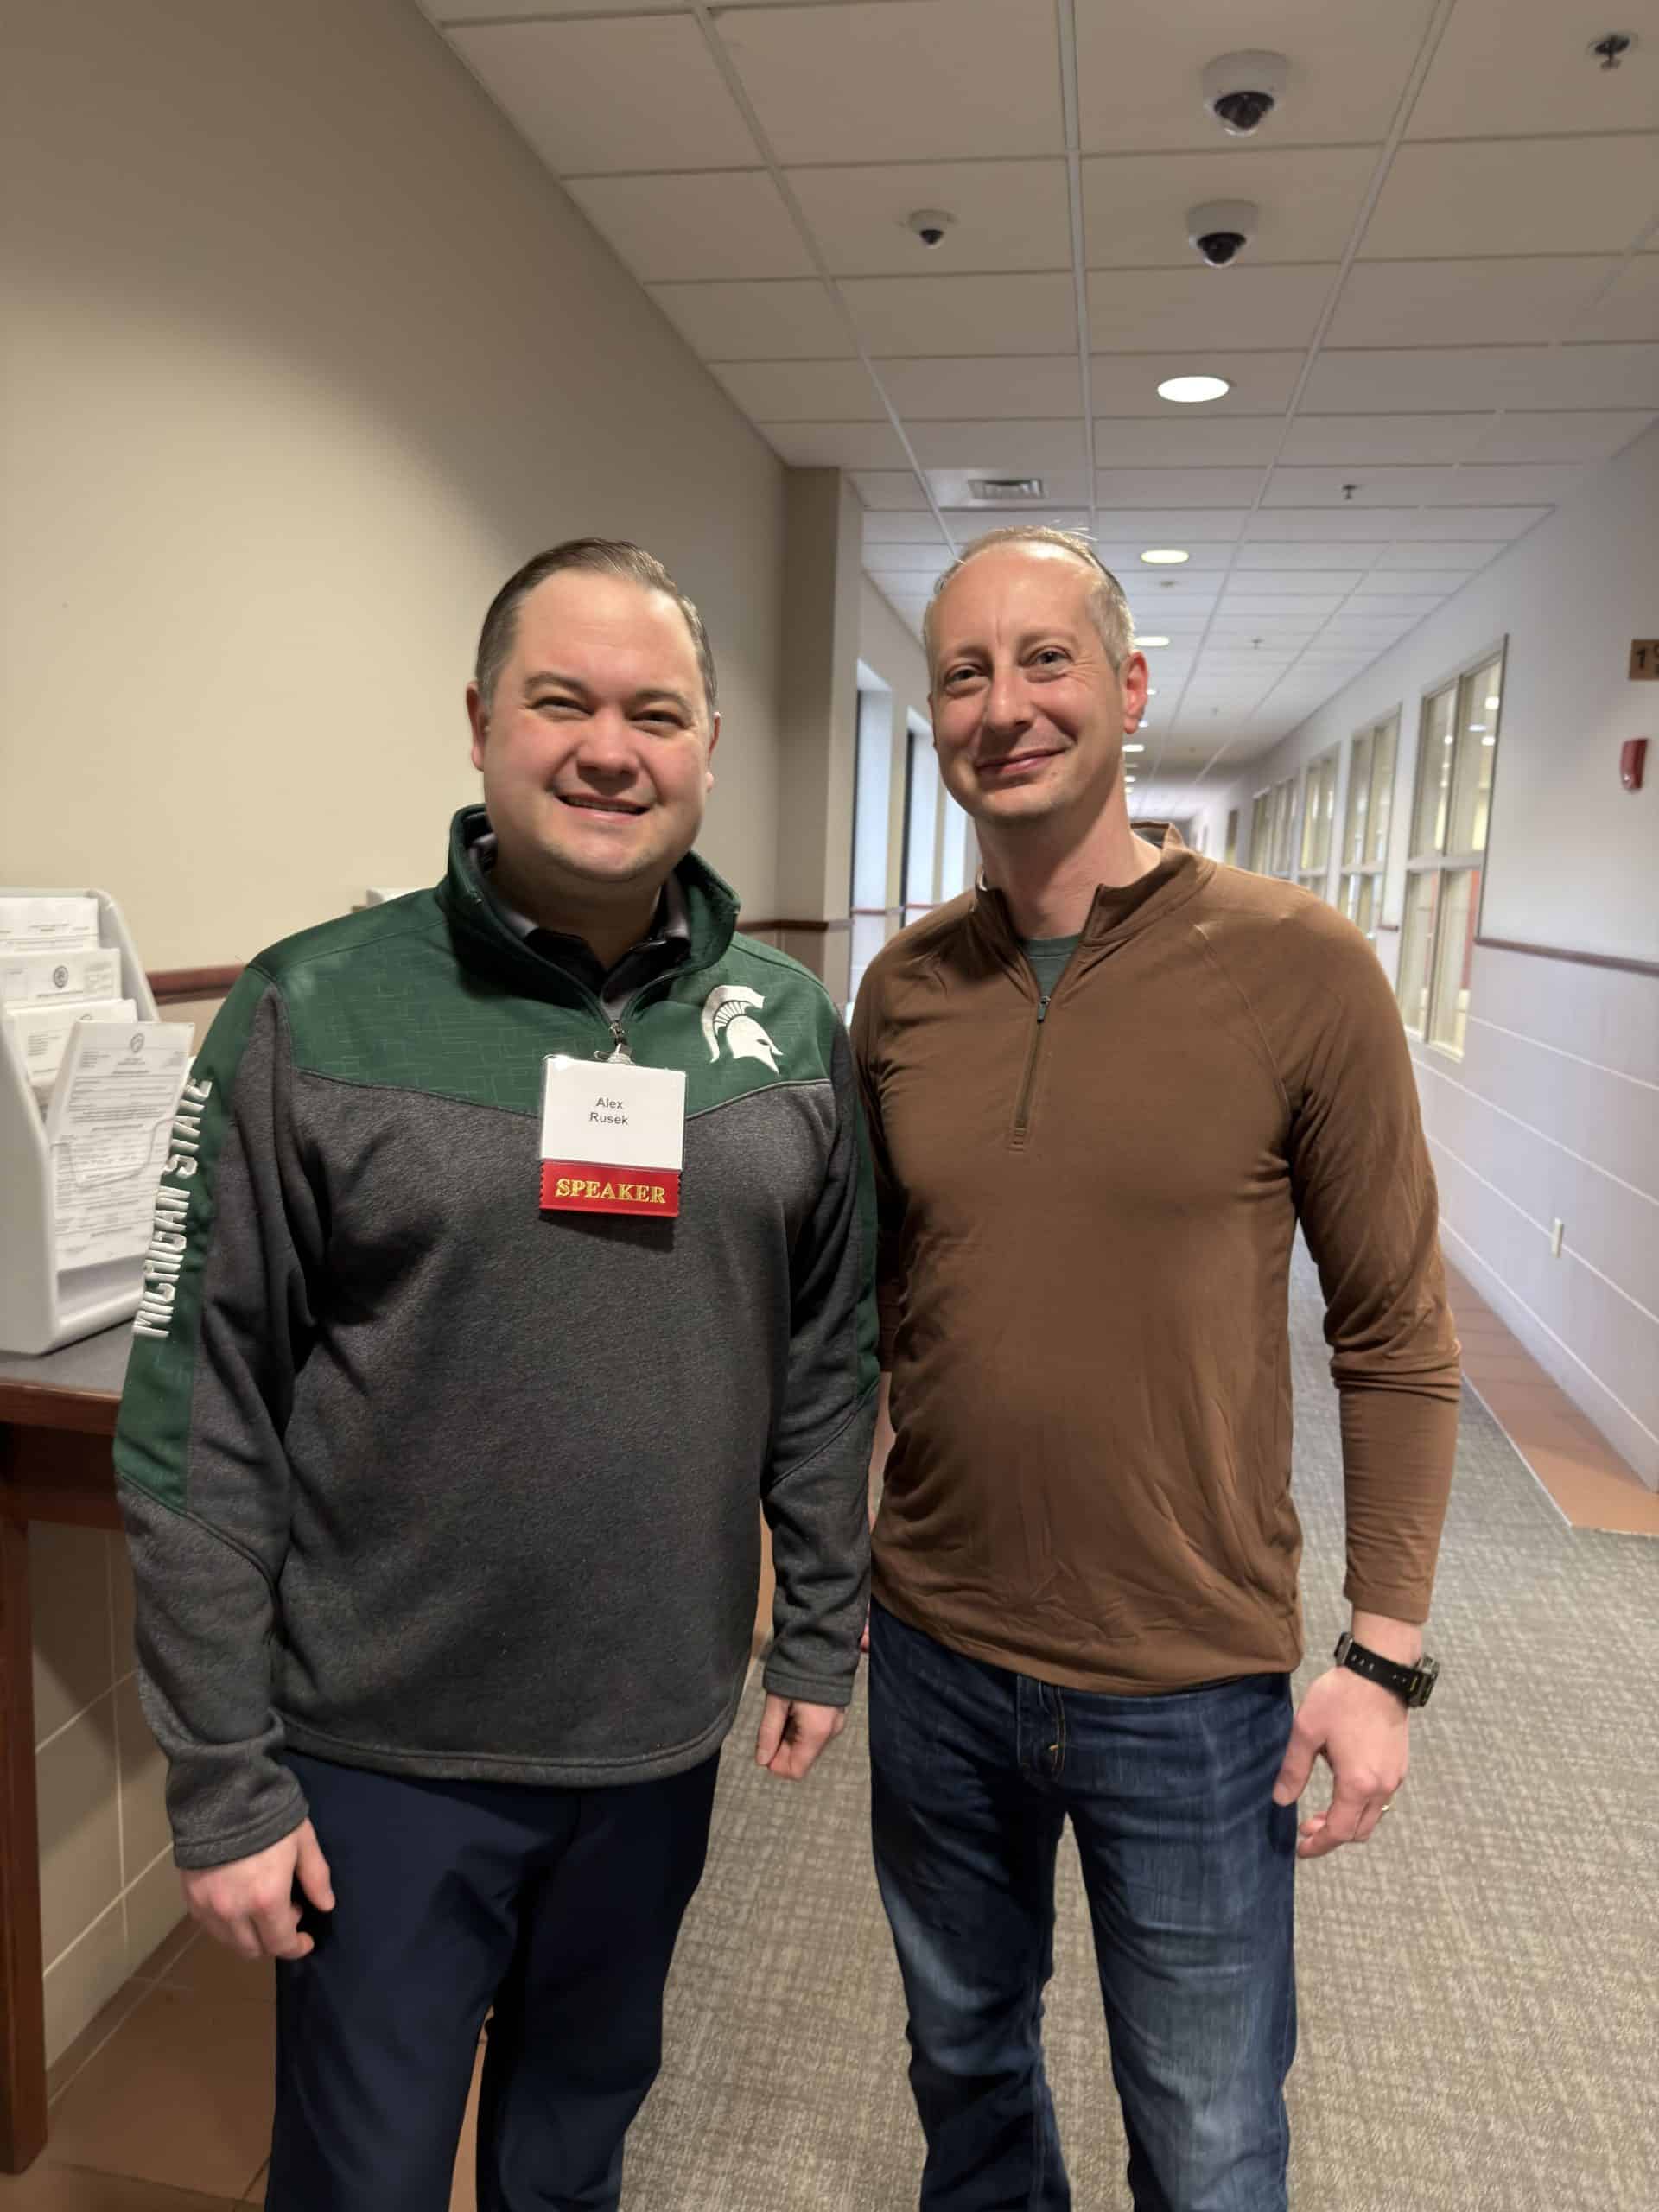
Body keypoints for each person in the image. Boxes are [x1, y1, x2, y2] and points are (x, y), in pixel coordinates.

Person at [114, 538, 878, 2212]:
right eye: (561, 702)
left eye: (655, 713)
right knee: (364, 2174)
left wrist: (823, 1611)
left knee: (572, 2149)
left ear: (708, 746)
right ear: (479, 723)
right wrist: (224, 1773)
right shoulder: (313, 1010)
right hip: (382, 1750)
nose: (610, 749)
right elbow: (198, 1415)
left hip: (653, 1733)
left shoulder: (787, 1027)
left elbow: (828, 1351)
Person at [851, 525, 1459, 2212]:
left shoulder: (1299, 966)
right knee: (964, 2063)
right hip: (937, 1654)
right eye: (965, 672)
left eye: (1045, 659)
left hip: (1189, 1679)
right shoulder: (904, 991)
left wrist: (1384, 1654)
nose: (1004, 705)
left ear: (1127, 688)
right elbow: (877, 1315)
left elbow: (1395, 1331)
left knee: (1207, 2134)